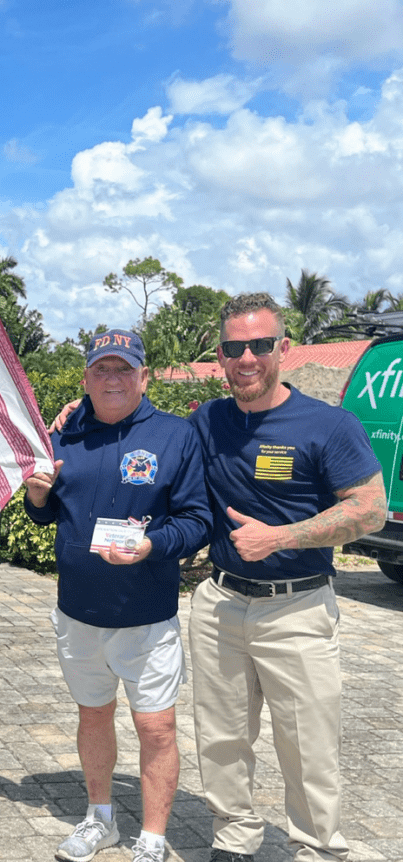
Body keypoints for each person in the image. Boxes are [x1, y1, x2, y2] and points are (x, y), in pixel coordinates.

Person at [186, 293, 386, 862]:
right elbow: (153, 442)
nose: (246, 358)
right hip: (221, 605)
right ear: (220, 356)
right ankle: (234, 838)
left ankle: (318, 847)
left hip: (296, 608)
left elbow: (370, 510)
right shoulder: (209, 419)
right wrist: (81, 413)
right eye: (233, 348)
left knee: (308, 744)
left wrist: (282, 536)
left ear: (285, 349)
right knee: (221, 738)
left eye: (259, 345)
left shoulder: (329, 425)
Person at [25, 329, 211, 862]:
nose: (113, 378)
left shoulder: (177, 436)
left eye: (124, 368)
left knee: (156, 726)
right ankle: (99, 819)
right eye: (101, 369)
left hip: (146, 617)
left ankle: (152, 838)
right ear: (85, 379)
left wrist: (152, 545)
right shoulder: (61, 436)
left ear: (143, 376)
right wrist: (38, 496)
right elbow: (48, 513)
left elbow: (198, 521)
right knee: (92, 716)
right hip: (78, 613)